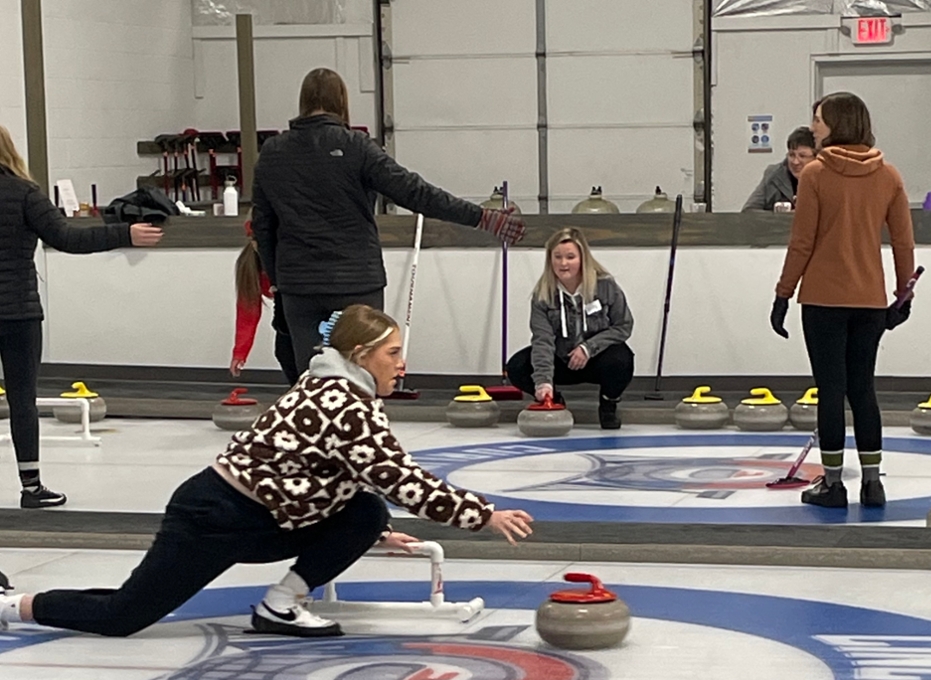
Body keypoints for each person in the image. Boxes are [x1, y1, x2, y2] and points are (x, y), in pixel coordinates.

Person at [0, 305, 534, 638]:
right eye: (393, 353)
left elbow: (331, 472)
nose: (402, 364)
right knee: (126, 615)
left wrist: (365, 527)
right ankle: (12, 605)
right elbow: (401, 478)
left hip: (256, 514)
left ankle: (281, 606)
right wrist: (483, 515)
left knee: (366, 512)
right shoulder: (345, 403)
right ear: (361, 354)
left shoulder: (331, 385)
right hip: (214, 516)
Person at [253, 68, 526, 375]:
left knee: (311, 378)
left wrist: (279, 281)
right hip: (356, 279)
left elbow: (262, 226)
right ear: (342, 100)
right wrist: (481, 217)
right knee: (362, 374)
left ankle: (314, 422)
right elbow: (415, 192)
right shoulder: (357, 146)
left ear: (302, 102)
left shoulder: (272, 152)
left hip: (299, 284)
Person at [0, 125, 162, 509]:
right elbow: (68, 239)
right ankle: (32, 486)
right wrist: (124, 234)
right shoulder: (24, 193)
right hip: (18, 313)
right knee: (23, 400)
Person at [769, 92, 915, 509]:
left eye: (818, 120)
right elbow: (903, 242)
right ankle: (873, 484)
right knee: (863, 389)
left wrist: (783, 293)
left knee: (830, 391)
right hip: (869, 299)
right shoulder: (888, 175)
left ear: (836, 123)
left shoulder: (815, 174)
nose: (813, 127)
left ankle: (832, 485)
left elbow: (802, 243)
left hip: (822, 298)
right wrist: (904, 293)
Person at [506, 227, 634, 430]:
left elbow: (623, 326)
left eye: (570, 257)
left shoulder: (605, 286)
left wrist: (588, 348)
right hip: (561, 361)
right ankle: (553, 399)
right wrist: (543, 381)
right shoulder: (543, 296)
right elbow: (542, 340)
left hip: (596, 359)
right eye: (557, 257)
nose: (563, 263)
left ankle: (608, 405)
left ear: (582, 258)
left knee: (622, 359)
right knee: (516, 366)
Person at [230, 213, 298, 385]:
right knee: (284, 352)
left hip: (306, 304)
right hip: (285, 310)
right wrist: (240, 353)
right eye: (255, 238)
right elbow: (247, 311)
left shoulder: (293, 256)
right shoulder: (250, 265)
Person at [742, 127, 817, 212]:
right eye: (791, 155)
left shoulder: (825, 179)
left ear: (816, 157)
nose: (795, 162)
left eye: (802, 156)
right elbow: (748, 211)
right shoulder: (774, 175)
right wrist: (781, 217)